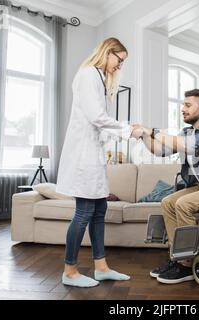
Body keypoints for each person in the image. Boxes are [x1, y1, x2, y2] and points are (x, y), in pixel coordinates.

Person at [56, 38, 143, 288]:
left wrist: (126, 131)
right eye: (120, 59)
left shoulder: (98, 78)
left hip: (93, 154)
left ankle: (101, 267)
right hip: (83, 155)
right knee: (83, 212)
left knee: (99, 211)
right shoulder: (88, 74)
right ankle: (70, 271)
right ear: (107, 52)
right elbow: (96, 117)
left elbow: (97, 121)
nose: (120, 65)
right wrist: (128, 130)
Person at [139, 89, 199, 284]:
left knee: (183, 203)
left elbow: (190, 146)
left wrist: (154, 132)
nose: (183, 109)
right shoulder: (186, 132)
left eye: (187, 105)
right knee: (167, 202)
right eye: (183, 105)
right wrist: (143, 135)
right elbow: (159, 151)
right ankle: (177, 257)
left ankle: (185, 264)